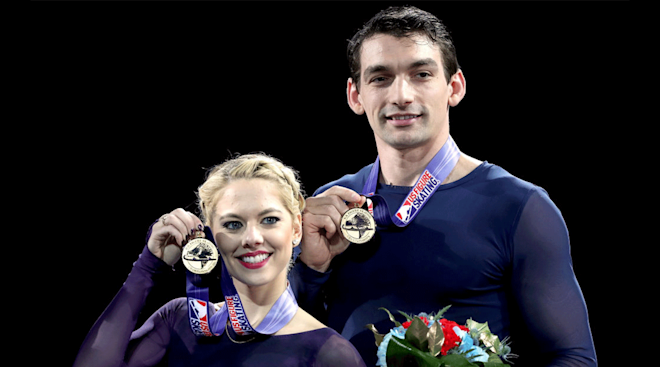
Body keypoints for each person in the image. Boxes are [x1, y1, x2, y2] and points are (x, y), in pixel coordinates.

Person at [289, 6, 597, 366]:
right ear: (355, 95)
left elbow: (572, 357)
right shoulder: (330, 204)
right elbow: (290, 346)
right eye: (380, 78)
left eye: (421, 74)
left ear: (454, 87)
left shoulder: (519, 206)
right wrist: (311, 273)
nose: (401, 95)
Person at [73, 154, 366, 367]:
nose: (252, 237)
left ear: (296, 229)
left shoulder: (331, 353)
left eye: (269, 220)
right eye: (233, 224)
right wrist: (147, 268)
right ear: (212, 236)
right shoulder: (179, 321)